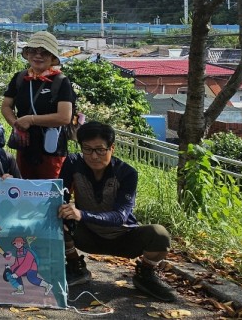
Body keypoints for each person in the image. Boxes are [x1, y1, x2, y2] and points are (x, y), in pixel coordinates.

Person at [59, 121, 177, 301]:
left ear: (112, 148)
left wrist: (81, 214)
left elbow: (120, 216)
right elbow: (61, 196)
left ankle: (146, 273)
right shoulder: (73, 162)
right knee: (55, 218)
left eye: (100, 150)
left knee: (159, 234)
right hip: (87, 235)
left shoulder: (127, 173)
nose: (93, 156)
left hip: (124, 238)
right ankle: (76, 266)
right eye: (87, 149)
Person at [0, 31, 75, 179]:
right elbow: (6, 106)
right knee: (23, 187)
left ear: (52, 57)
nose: (38, 56)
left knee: (50, 189)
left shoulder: (61, 82)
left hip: (52, 148)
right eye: (33, 51)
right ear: (27, 54)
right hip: (24, 145)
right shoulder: (20, 78)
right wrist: (16, 125)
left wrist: (31, 120)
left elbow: (64, 117)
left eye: (44, 52)